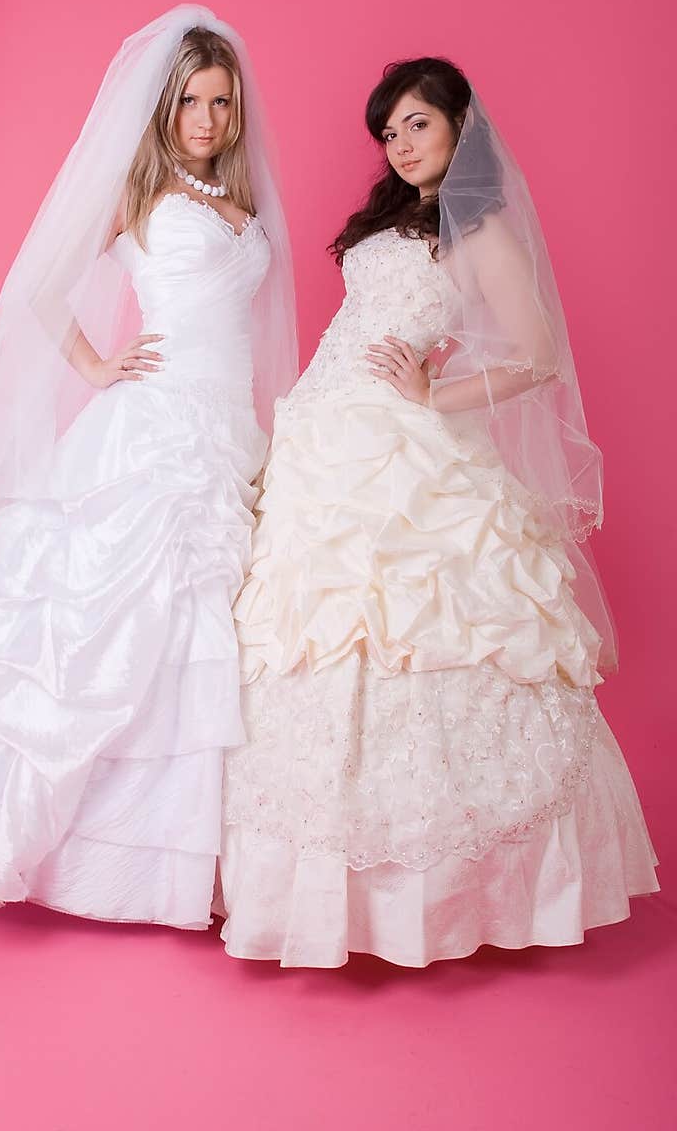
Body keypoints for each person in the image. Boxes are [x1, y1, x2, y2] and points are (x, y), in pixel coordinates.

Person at [0, 5, 297, 931]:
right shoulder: (142, 194)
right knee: (107, 631)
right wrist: (96, 367)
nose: (208, 120)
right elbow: (38, 283)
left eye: (222, 102)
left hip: (227, 438)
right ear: (162, 109)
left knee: (200, 640)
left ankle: (176, 858)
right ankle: (47, 840)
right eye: (192, 102)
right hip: (152, 433)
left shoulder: (241, 207)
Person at [218, 57, 658, 968]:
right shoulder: (395, 219)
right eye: (389, 131)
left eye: (418, 123)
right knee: (313, 635)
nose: (400, 144)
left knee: (421, 628)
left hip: (403, 446)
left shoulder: (483, 228)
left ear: (463, 125)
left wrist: (436, 398)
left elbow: (536, 355)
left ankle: (441, 892)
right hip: (325, 438)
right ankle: (312, 877)